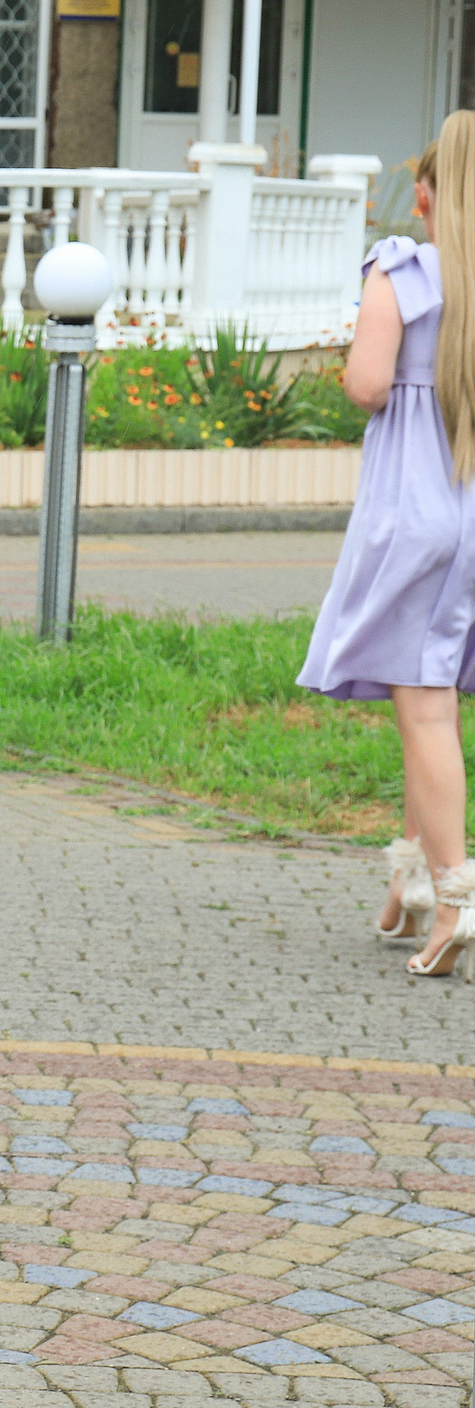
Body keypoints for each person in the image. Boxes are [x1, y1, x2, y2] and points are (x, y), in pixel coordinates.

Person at [299, 111, 475, 979]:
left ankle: (455, 895)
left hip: (413, 503)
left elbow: (367, 384)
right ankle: (411, 882)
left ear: (425, 194)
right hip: (471, 502)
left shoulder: (404, 268)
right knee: (433, 697)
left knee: (425, 706)